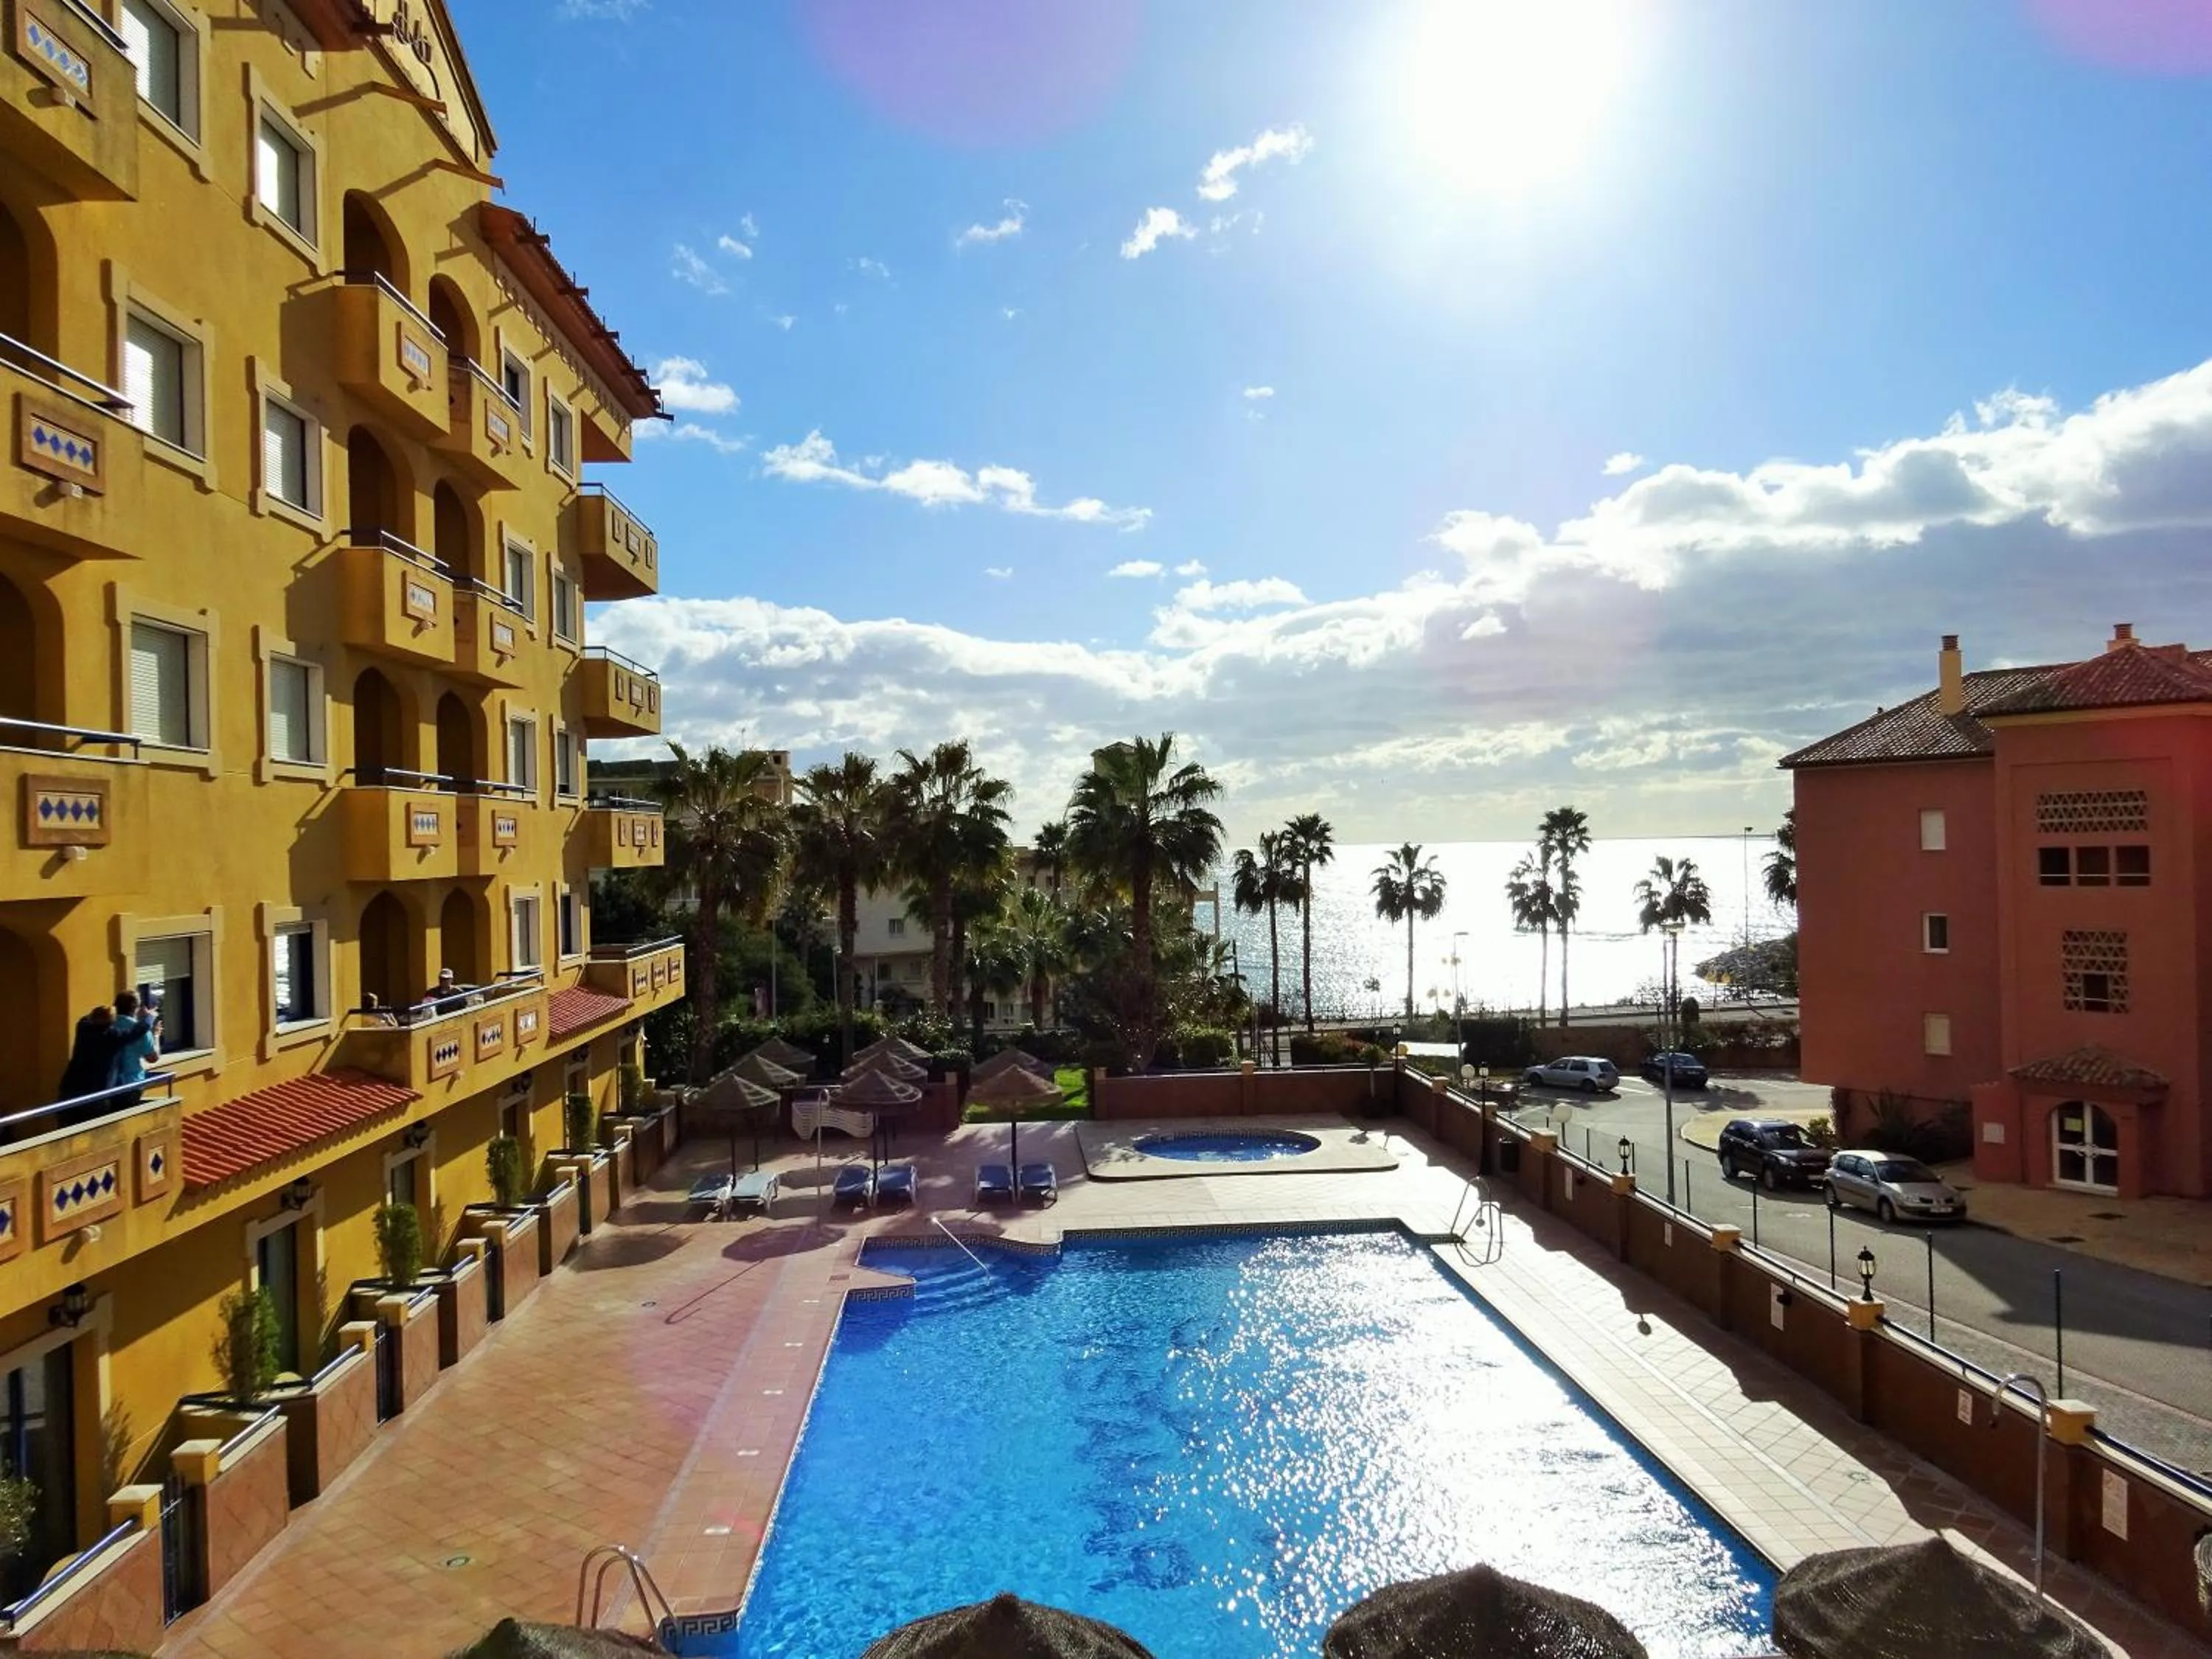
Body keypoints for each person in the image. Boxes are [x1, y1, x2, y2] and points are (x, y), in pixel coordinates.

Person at [56, 1005, 119, 1103]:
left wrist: (97, 1014)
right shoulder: (112, 1035)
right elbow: (133, 1034)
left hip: (71, 1088)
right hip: (95, 1093)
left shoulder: (82, 1028)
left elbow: (84, 1019)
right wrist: (148, 1020)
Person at [108, 990, 161, 1104]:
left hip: (108, 1085)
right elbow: (152, 1058)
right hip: (131, 1084)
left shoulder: (106, 1026)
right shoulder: (140, 1030)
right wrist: (155, 1035)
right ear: (135, 1008)